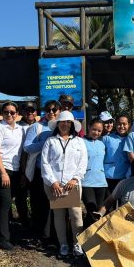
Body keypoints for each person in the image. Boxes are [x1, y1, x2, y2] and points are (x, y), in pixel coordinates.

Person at [41, 110, 87, 258]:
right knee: (58, 215)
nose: (65, 125)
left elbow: (83, 162)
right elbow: (45, 163)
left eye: (68, 122)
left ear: (72, 124)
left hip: (72, 184)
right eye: (62, 122)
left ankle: (77, 243)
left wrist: (75, 179)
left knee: (76, 214)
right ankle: (63, 245)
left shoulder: (79, 141)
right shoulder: (50, 141)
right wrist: (53, 182)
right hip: (54, 185)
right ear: (58, 124)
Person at [0, 101, 24, 250]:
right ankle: (3, 239)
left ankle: (4, 234)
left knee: (9, 204)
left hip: (15, 171)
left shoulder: (21, 130)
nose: (9, 114)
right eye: (6, 112)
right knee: (5, 203)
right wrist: (3, 173)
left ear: (17, 114)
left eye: (12, 112)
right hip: (1, 169)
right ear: (2, 113)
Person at [22, 100, 59, 239]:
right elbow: (27, 147)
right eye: (48, 110)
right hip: (40, 172)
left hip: (58, 174)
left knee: (56, 207)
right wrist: (47, 142)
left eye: (54, 110)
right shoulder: (37, 127)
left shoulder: (63, 126)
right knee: (39, 205)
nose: (51, 112)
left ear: (59, 112)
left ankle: (53, 236)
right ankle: (39, 235)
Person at [13, 101, 38, 229]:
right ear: (22, 112)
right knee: (21, 196)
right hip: (19, 166)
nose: (30, 113)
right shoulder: (16, 126)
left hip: (36, 167)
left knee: (35, 197)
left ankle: (35, 221)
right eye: (27, 110)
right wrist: (23, 171)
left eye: (32, 110)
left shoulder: (40, 127)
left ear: (36, 112)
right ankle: (24, 222)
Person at [82, 118, 108, 225]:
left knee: (99, 212)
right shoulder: (80, 142)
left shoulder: (102, 144)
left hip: (101, 182)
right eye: (94, 129)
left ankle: (95, 239)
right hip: (86, 181)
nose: (96, 133)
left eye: (99, 131)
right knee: (91, 209)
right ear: (88, 127)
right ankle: (85, 237)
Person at [103, 114, 131, 192]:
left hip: (125, 176)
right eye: (119, 124)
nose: (121, 126)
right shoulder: (107, 139)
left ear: (129, 125)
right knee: (108, 202)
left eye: (124, 124)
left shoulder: (131, 139)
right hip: (108, 176)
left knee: (123, 203)